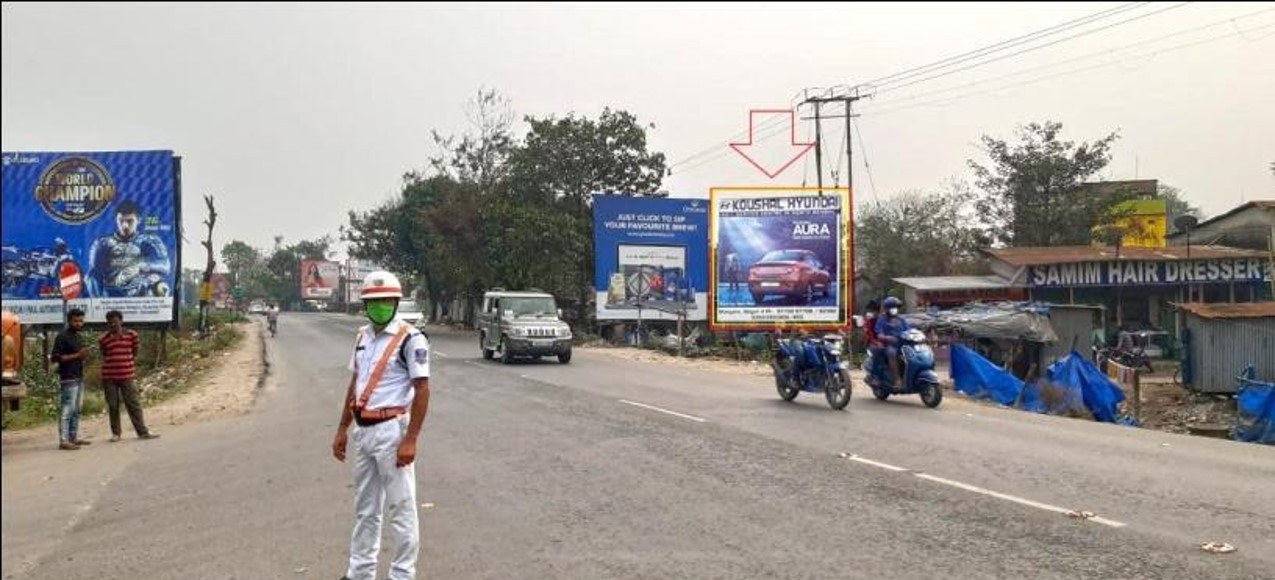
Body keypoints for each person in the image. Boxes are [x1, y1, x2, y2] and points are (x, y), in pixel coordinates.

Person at [332, 270, 431, 580]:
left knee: (401, 510)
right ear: (364, 305)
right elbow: (355, 383)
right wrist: (342, 429)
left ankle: (402, 575)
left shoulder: (411, 339)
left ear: (396, 302)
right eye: (373, 302)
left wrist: (411, 439)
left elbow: (423, 389)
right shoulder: (362, 337)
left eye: (386, 301)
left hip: (392, 430)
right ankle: (360, 572)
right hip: (364, 430)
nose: (379, 306)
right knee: (366, 509)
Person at [87, 199, 171, 297]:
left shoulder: (149, 241)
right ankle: (98, 307)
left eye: (130, 221)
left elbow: (165, 266)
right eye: (121, 221)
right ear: (116, 220)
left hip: (140, 293)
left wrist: (140, 267)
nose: (125, 225)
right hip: (111, 293)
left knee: (158, 281)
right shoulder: (103, 243)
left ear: (139, 220)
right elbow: (95, 272)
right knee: (91, 275)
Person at [98, 310, 159, 442]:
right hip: (109, 377)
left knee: (133, 404)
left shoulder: (132, 335)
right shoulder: (103, 339)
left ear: (121, 321)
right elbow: (104, 355)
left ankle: (142, 432)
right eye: (109, 323)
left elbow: (134, 352)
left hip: (127, 376)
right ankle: (116, 433)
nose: (113, 325)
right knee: (113, 405)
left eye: (115, 322)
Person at [50, 308, 91, 450]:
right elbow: (55, 358)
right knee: (67, 410)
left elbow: (79, 355)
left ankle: (73, 437)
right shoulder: (62, 336)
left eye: (81, 321)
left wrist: (83, 356)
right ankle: (64, 440)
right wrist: (77, 355)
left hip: (79, 376)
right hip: (68, 378)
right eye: (76, 321)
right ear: (69, 321)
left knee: (77, 410)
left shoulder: (78, 337)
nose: (79, 324)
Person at [874, 296, 911, 386]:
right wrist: (888, 338)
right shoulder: (882, 319)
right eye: (892, 307)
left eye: (896, 307)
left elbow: (909, 331)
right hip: (890, 345)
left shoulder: (901, 320)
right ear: (887, 309)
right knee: (891, 353)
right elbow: (879, 334)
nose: (895, 309)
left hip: (903, 345)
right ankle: (897, 379)